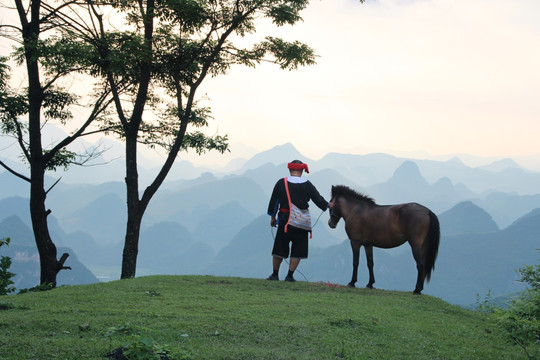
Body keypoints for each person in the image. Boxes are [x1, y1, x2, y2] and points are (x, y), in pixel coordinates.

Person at [266, 160, 329, 281]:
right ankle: (290, 276)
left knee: (280, 246)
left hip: (285, 220)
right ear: (302, 171)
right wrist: (327, 205)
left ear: (290, 170)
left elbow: (274, 202)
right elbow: (318, 199)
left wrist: (273, 218)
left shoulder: (281, 183)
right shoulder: (307, 184)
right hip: (302, 222)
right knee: (298, 248)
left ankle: (275, 274)